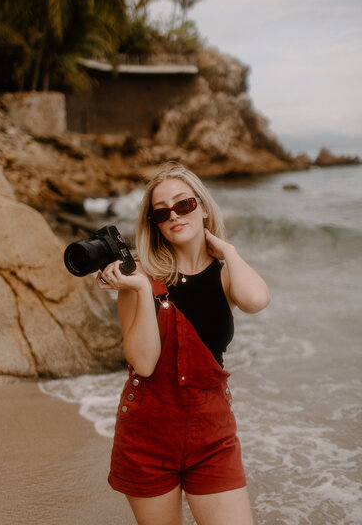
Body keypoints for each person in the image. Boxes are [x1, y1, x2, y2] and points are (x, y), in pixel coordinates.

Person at [96, 162, 270, 525]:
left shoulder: (226, 274)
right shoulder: (137, 278)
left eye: (184, 204)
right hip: (148, 434)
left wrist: (228, 250)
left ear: (202, 206)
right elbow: (143, 362)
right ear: (154, 223)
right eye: (161, 211)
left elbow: (255, 301)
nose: (174, 214)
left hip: (213, 434)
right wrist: (142, 290)